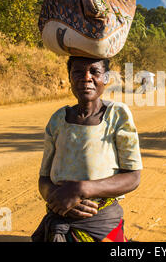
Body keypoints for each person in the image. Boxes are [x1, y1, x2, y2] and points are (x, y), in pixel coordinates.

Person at [32, 56, 143, 242]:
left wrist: (82, 189)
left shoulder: (117, 115)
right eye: (77, 72)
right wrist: (57, 198)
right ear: (69, 77)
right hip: (59, 219)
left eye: (94, 71)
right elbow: (44, 178)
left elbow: (133, 177)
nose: (86, 77)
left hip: (101, 224)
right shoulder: (58, 119)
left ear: (106, 78)